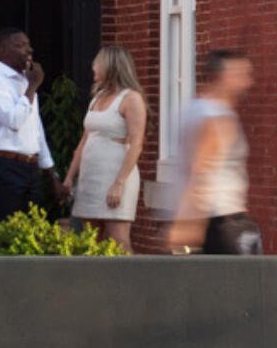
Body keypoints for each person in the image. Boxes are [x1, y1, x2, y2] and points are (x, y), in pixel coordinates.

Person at [0, 28, 61, 243]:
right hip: (2, 166)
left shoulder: (24, 81)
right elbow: (13, 120)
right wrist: (32, 87)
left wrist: (52, 175)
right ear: (2, 51)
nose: (28, 50)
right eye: (20, 45)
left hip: (29, 169)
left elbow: (35, 129)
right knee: (3, 237)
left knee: (30, 236)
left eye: (28, 44)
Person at [167, 49, 259, 255]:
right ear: (222, 77)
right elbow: (201, 173)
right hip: (222, 220)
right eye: (241, 74)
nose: (248, 82)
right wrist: (188, 226)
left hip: (210, 219)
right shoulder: (218, 118)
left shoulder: (193, 109)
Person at [64, 45, 146, 246]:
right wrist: (69, 177)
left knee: (117, 238)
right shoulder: (97, 98)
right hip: (91, 177)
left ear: (110, 66)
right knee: (91, 239)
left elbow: (136, 144)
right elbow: (84, 141)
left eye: (97, 64)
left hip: (115, 175)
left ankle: (127, 278)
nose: (93, 68)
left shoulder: (131, 99)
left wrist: (118, 184)